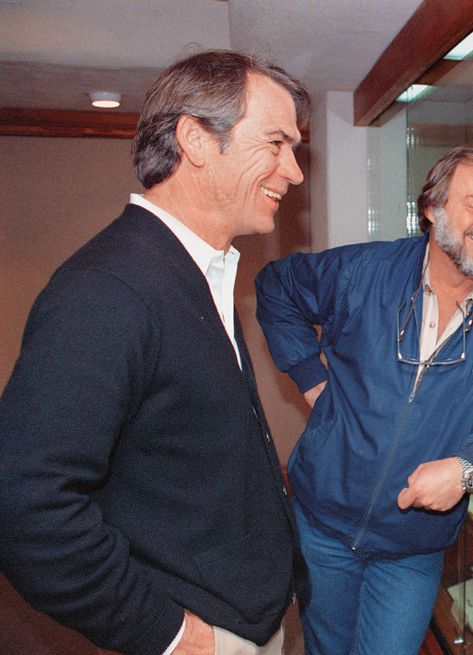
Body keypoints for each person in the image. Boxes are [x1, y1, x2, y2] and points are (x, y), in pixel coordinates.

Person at [0, 50, 310, 655]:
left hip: (244, 614)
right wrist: (173, 636)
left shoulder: (200, 271)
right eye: (276, 143)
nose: (294, 172)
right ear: (196, 139)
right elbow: (24, 507)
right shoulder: (107, 290)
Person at [255, 145, 473, 655]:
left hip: (413, 545)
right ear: (433, 209)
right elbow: (276, 287)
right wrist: (312, 380)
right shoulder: (363, 271)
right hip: (322, 523)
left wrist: (466, 468)